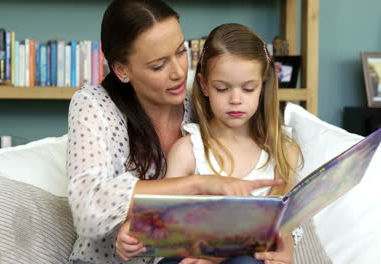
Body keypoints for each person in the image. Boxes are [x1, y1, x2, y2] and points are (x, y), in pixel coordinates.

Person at [67, 1, 284, 263]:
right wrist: (198, 184)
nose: (180, 72)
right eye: (159, 65)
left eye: (181, 52)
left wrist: (283, 243)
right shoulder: (94, 105)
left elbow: (267, 178)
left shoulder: (207, 100)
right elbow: (88, 208)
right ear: (122, 70)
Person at [158, 23, 305, 264]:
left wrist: (284, 251)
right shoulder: (189, 151)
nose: (235, 99)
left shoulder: (282, 150)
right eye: (222, 88)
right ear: (204, 85)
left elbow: (285, 224)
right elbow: (165, 222)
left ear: (263, 86)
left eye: (248, 89)